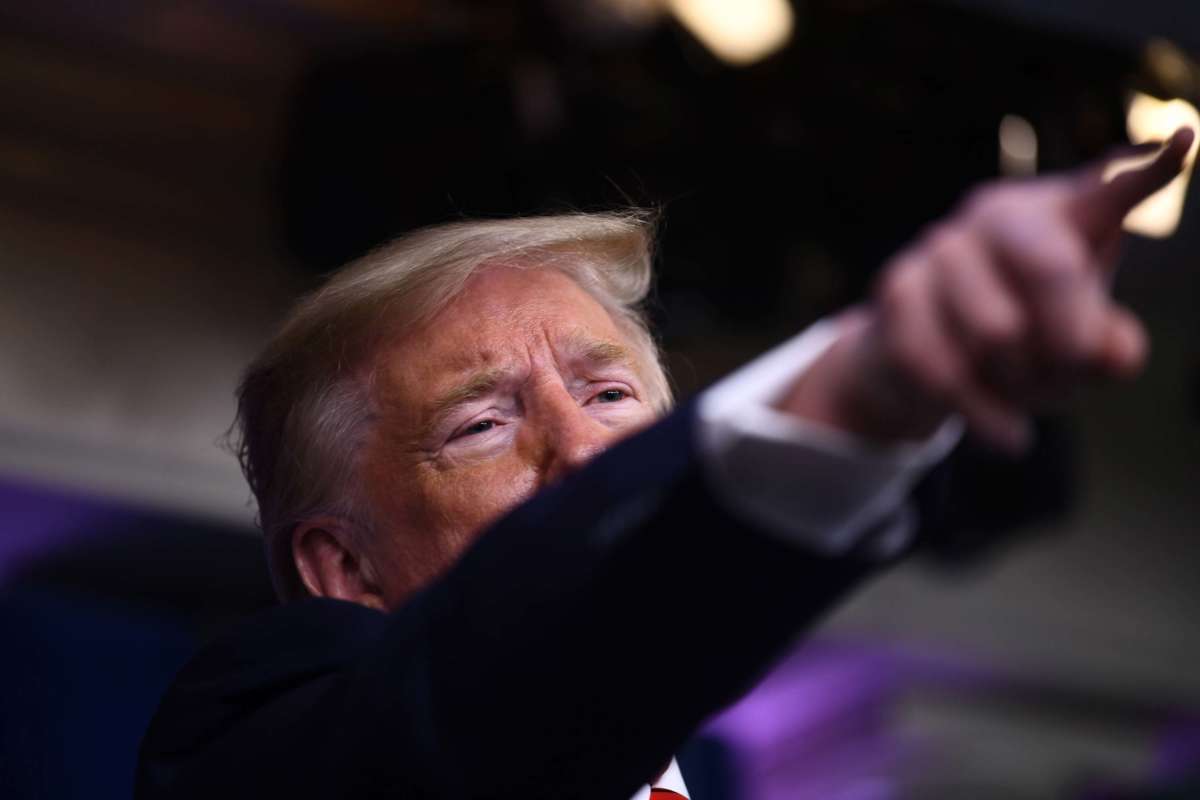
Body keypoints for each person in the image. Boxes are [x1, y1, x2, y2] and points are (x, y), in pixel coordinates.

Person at [136, 130, 1194, 800]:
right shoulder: (255, 741)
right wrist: (855, 386)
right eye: (479, 426)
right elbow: (483, 692)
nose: (586, 447)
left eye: (610, 395)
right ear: (341, 568)